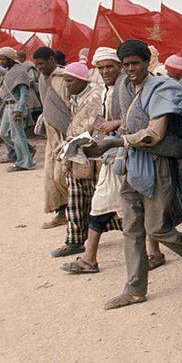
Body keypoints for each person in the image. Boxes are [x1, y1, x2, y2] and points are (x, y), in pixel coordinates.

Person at [92, 40, 182, 310]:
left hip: (157, 163)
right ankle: (134, 288)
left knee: (158, 229)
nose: (130, 69)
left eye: (135, 63)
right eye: (125, 65)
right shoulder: (126, 88)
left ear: (146, 63)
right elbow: (127, 124)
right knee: (131, 229)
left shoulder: (161, 88)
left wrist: (116, 142)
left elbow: (154, 134)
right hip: (132, 164)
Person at [60, 47, 127, 274]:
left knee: (129, 207)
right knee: (107, 205)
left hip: (126, 154)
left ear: (119, 66)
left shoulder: (125, 88)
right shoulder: (107, 90)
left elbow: (137, 116)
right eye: (101, 68)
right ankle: (89, 258)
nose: (106, 71)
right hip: (110, 156)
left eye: (110, 66)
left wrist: (117, 123)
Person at [49, 62, 107, 258]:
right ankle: (74, 240)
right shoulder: (77, 98)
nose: (67, 85)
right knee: (76, 199)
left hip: (90, 155)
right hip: (76, 156)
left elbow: (93, 126)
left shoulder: (95, 97)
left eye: (70, 80)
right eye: (65, 80)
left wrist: (73, 142)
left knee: (96, 200)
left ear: (83, 80)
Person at [34, 47, 71, 229]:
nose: (39, 67)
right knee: (51, 177)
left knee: (63, 175)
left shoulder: (65, 78)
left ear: (51, 60)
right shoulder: (41, 79)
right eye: (37, 64)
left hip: (67, 134)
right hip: (51, 134)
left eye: (41, 63)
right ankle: (62, 213)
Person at [0, 47, 35, 171]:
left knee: (17, 135)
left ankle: (24, 162)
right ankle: (26, 151)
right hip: (7, 106)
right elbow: (0, 70)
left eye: (2, 59)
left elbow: (24, 93)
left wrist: (19, 109)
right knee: (3, 133)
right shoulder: (10, 70)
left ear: (10, 59)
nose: (0, 62)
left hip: (15, 106)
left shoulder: (20, 72)